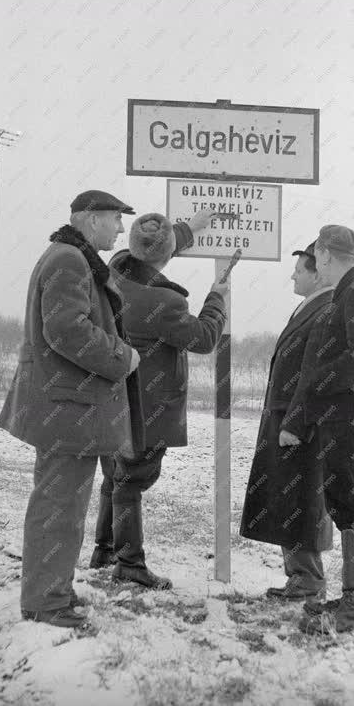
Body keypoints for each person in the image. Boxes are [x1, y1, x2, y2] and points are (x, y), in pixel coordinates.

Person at [0, 189, 141, 628]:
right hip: (68, 408)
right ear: (90, 219)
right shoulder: (68, 259)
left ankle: (52, 590)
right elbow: (65, 329)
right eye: (116, 219)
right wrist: (123, 357)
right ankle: (45, 602)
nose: (120, 228)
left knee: (64, 504)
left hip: (69, 406)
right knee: (59, 506)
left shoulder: (70, 256)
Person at [89, 212, 228, 588]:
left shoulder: (116, 269)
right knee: (131, 482)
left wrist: (189, 229)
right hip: (147, 410)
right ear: (167, 254)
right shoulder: (164, 303)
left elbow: (152, 253)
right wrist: (217, 298)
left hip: (112, 399)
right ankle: (130, 566)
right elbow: (204, 338)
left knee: (114, 477)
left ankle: (104, 550)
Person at [280, 225, 354, 635]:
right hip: (344, 417)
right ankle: (349, 599)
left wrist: (316, 384)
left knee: (353, 511)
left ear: (325, 254)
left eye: (317, 258)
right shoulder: (351, 292)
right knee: (345, 506)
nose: (314, 266)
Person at [239, 242, 334, 602]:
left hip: (298, 425)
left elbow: (313, 376)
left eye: (300, 268)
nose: (293, 274)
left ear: (317, 272)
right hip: (286, 419)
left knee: (300, 501)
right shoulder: (311, 307)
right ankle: (301, 578)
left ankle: (308, 581)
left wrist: (296, 422)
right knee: (289, 499)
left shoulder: (325, 310)